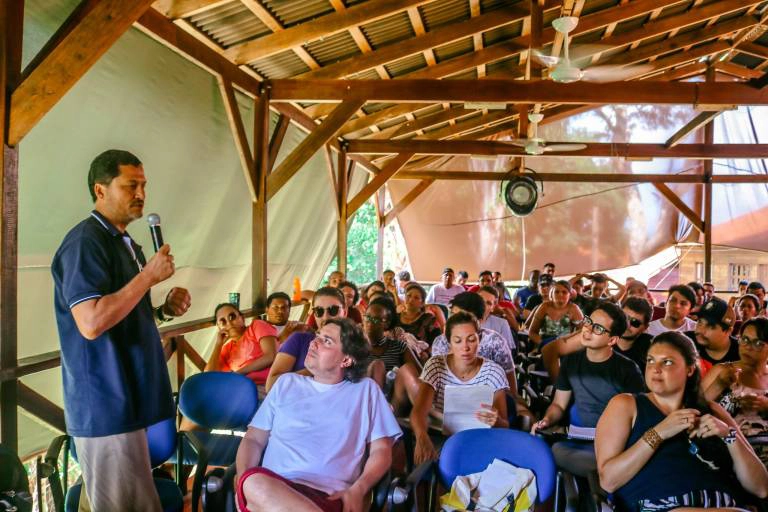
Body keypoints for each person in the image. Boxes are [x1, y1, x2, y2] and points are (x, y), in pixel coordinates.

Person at [52, 149, 192, 511]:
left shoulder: (125, 244)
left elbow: (123, 314)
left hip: (129, 398)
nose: (141, 193)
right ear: (100, 190)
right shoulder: (85, 243)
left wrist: (161, 311)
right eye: (131, 185)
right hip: (106, 401)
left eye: (143, 185)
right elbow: (91, 322)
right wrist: (147, 278)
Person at [235, 318, 402, 512]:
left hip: (328, 496)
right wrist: (242, 478)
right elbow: (253, 439)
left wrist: (359, 489)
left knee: (255, 484)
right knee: (253, 482)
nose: (314, 343)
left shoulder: (366, 391)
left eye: (327, 341)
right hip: (273, 487)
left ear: (346, 360)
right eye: (317, 336)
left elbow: (381, 451)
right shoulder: (286, 384)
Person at [596, 332, 768, 510]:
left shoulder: (712, 410)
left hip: (724, 503)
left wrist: (729, 436)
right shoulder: (627, 405)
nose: (655, 368)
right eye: (650, 360)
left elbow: (761, 488)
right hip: (661, 504)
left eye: (667, 362)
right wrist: (659, 433)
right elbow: (609, 481)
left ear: (690, 369)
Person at [532, 302, 644, 478]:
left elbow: (637, 418)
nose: (588, 330)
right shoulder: (571, 361)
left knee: (554, 457)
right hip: (575, 438)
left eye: (598, 328)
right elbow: (559, 405)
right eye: (589, 322)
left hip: (612, 444)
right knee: (539, 451)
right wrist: (547, 420)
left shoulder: (628, 370)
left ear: (612, 340)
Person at [411, 312, 509, 464]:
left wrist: (496, 421)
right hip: (442, 439)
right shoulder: (436, 366)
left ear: (479, 339)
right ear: (449, 342)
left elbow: (505, 426)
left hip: (479, 441)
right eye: (457, 341)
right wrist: (421, 436)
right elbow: (419, 411)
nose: (465, 347)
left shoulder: (493, 372)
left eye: (471, 340)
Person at [703, 317, 768, 464]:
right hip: (729, 452)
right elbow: (695, 408)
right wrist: (719, 384)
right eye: (744, 339)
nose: (748, 347)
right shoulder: (722, 371)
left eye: (758, 343)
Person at [542, 297, 653, 382]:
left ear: (645, 327)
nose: (627, 325)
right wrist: (560, 386)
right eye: (625, 317)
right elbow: (550, 350)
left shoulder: (650, 346)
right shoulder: (596, 334)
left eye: (635, 322)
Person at [265, 287, 346, 392]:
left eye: (333, 310)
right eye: (319, 311)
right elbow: (270, 386)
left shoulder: (354, 346)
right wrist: (315, 370)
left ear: (345, 312)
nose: (325, 317)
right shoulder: (299, 340)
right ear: (314, 314)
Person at [205, 302, 277, 387]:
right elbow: (208, 376)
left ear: (242, 318)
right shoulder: (227, 349)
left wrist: (239, 373)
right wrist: (218, 345)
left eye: (232, 317)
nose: (229, 323)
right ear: (219, 327)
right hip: (245, 389)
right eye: (223, 322)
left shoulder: (256, 326)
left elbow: (271, 356)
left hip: (270, 383)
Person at [364, 296, 417, 389]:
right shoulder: (354, 346)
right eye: (367, 317)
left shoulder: (399, 346)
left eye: (376, 319)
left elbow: (421, 376)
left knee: (408, 369)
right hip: (363, 393)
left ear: (387, 323)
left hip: (394, 396)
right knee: (377, 366)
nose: (370, 322)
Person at [692, 298, 741, 374]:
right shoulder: (686, 343)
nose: (700, 330)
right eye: (700, 322)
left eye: (711, 326)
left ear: (728, 331)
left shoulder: (741, 353)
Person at [528, 280, 583, 347]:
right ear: (551, 294)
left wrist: (568, 345)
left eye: (564, 292)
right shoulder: (544, 307)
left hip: (565, 346)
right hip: (544, 345)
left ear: (570, 295)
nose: (560, 295)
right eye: (556, 292)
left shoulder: (574, 309)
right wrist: (543, 343)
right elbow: (532, 332)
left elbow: (582, 332)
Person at [476, 286, 516, 353]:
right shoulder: (463, 321)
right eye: (481, 300)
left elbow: (506, 353)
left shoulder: (502, 324)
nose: (483, 305)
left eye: (488, 303)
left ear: (493, 307)